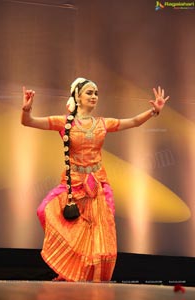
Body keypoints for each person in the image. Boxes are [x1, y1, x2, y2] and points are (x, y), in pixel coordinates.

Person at [21, 77, 169, 282]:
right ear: (77, 96)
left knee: (98, 234)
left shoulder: (102, 123)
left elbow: (133, 122)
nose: (94, 97)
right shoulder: (63, 122)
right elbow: (28, 122)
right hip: (73, 184)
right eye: (89, 93)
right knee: (44, 211)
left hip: (98, 184)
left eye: (96, 94)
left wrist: (154, 111)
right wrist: (27, 110)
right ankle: (69, 268)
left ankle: (87, 277)